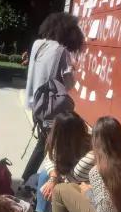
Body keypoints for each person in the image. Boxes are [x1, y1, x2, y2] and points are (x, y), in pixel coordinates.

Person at [21, 12, 84, 183]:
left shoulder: (38, 45)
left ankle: (27, 180)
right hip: (52, 108)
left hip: (36, 103)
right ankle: (36, 181)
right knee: (53, 145)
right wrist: (73, 69)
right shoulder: (61, 52)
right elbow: (69, 84)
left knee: (44, 143)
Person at [36, 111, 94, 212]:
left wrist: (56, 180)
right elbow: (50, 156)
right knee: (45, 174)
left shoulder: (90, 147)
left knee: (51, 182)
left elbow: (73, 177)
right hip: (67, 174)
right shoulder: (61, 141)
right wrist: (53, 176)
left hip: (82, 183)